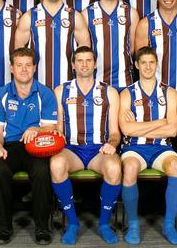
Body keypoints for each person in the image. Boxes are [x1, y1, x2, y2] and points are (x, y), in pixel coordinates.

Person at [50, 46, 122, 244]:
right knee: (56, 164)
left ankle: (104, 224)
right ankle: (73, 223)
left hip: (99, 149)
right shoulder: (61, 90)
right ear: (73, 65)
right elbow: (58, 128)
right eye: (79, 60)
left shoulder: (110, 92)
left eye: (88, 60)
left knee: (115, 167)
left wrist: (112, 144)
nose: (84, 64)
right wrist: (56, 138)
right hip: (71, 149)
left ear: (95, 63)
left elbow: (115, 132)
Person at [0, 47, 57, 245]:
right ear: (11, 68)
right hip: (9, 145)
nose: (24, 69)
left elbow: (51, 128)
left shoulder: (45, 93)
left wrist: (37, 129)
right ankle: (4, 228)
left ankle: (42, 228)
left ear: (35, 68)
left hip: (36, 146)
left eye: (28, 65)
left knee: (42, 171)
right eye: (19, 65)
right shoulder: (1, 94)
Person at [118, 47, 177, 245]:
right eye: (143, 63)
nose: (148, 67)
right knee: (129, 168)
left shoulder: (170, 92)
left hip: (161, 148)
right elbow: (126, 130)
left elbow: (172, 130)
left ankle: (169, 225)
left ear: (157, 65)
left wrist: (139, 127)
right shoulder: (127, 94)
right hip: (133, 148)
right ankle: (134, 225)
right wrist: (159, 122)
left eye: (151, 62)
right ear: (137, 65)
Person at [14, 0, 91, 89]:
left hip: (68, 86)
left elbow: (86, 55)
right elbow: (18, 56)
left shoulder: (75, 16)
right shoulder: (29, 17)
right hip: (36, 86)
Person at [84, 0, 139, 91]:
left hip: (124, 80)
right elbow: (85, 48)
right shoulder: (87, 14)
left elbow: (133, 48)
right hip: (96, 81)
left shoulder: (131, 13)